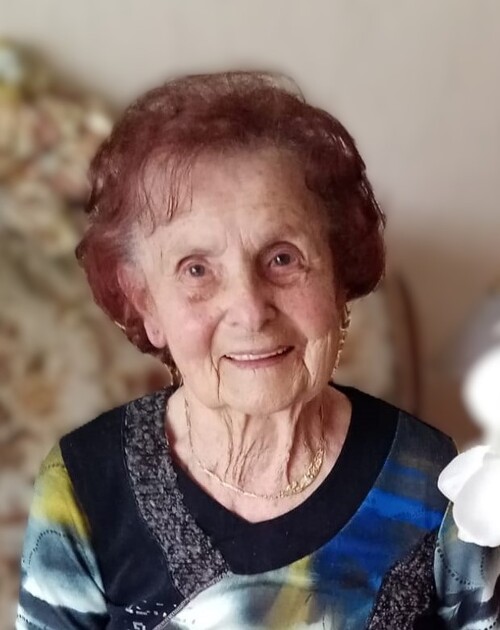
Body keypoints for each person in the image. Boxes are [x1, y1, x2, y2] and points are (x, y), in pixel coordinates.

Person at [16, 71, 499, 629]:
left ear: (338, 275)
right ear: (145, 302)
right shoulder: (83, 486)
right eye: (197, 269)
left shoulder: (433, 481)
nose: (249, 310)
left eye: (282, 258)